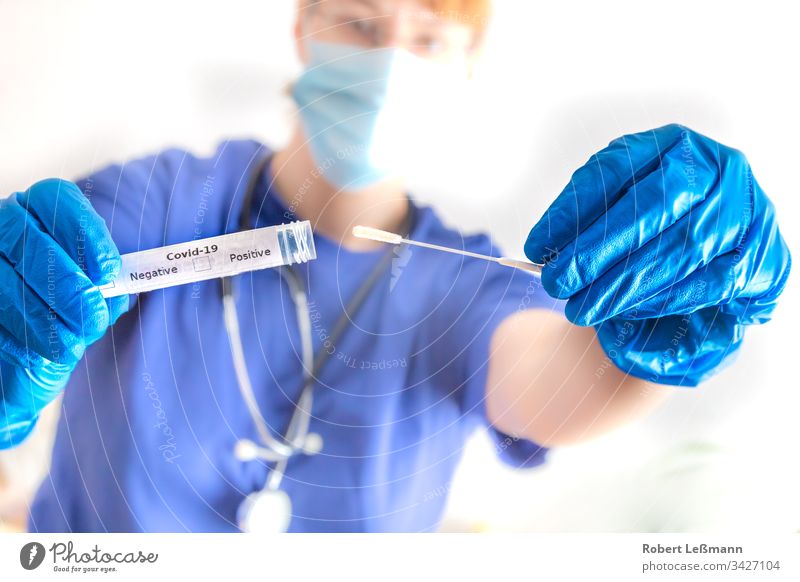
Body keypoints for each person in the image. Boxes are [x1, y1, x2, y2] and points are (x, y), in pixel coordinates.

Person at [0, 0, 790, 532]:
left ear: (468, 59)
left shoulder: (466, 283)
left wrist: (668, 319)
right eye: (360, 20)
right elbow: (53, 270)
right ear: (305, 26)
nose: (387, 65)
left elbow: (563, 382)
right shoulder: (167, 201)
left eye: (427, 39)